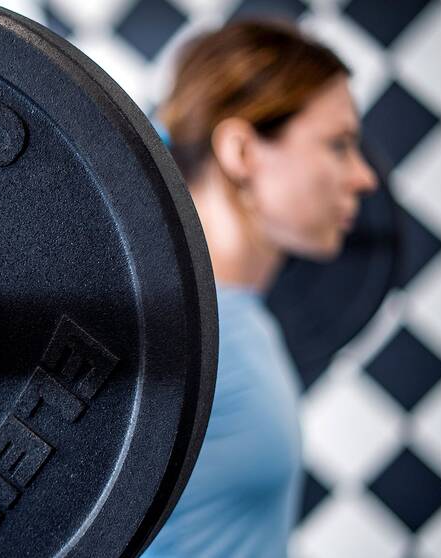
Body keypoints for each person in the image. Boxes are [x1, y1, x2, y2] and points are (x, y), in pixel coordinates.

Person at [144, 20, 377, 557]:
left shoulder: (238, 319)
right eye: (339, 145)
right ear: (242, 151)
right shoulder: (174, 342)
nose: (364, 177)